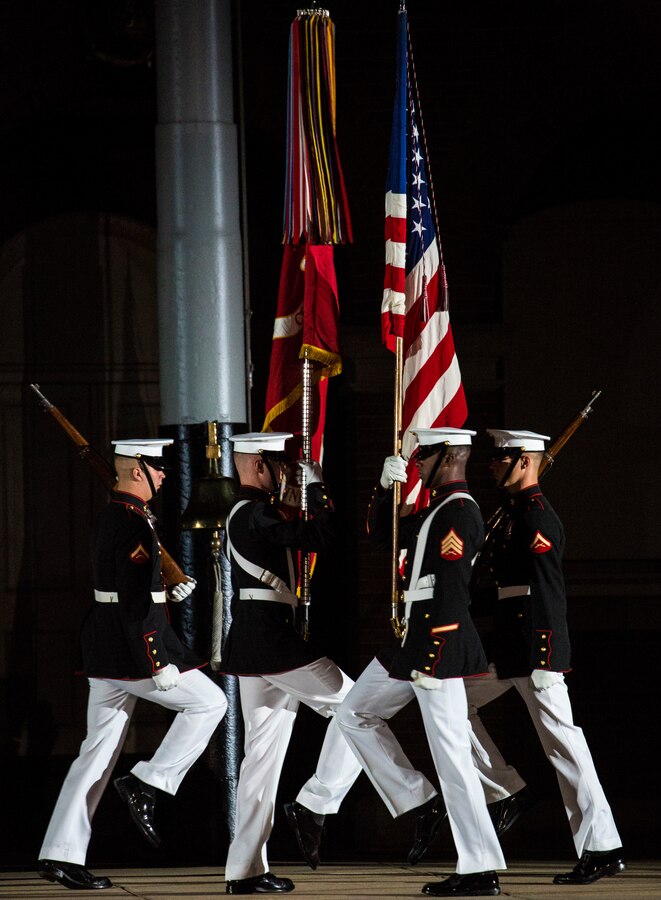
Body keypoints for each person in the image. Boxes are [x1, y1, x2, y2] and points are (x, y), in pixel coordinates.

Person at [38, 439, 228, 891]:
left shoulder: (115, 516)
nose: (164, 476)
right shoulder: (134, 523)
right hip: (133, 651)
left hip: (105, 649)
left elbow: (128, 585)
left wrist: (166, 586)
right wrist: (156, 659)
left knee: (96, 754)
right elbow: (133, 602)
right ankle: (150, 781)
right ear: (138, 471)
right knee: (210, 703)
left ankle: (60, 853)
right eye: (158, 468)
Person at [336, 427, 506, 898]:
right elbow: (381, 536)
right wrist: (384, 489)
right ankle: (419, 801)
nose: (417, 465)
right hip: (414, 645)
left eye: (423, 457)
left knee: (452, 757)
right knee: (353, 713)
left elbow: (452, 595)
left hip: (437, 650)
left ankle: (479, 867)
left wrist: (432, 658)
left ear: (448, 456)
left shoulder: (460, 512)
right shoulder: (435, 509)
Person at [464, 429, 625, 886]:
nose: (493, 464)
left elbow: (546, 594)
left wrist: (543, 654)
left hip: (534, 651)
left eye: (501, 458)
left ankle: (601, 847)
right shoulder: (511, 515)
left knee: (565, 748)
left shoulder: (537, 518)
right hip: (508, 650)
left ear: (524, 462)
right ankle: (507, 789)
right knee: (451, 707)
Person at [221, 432, 362, 896]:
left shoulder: (252, 514)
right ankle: (315, 802)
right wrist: (318, 488)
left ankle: (245, 870)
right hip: (271, 643)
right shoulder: (254, 514)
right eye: (281, 467)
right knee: (361, 708)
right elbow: (325, 536)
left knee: (261, 759)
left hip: (256, 643)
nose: (285, 476)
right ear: (260, 466)